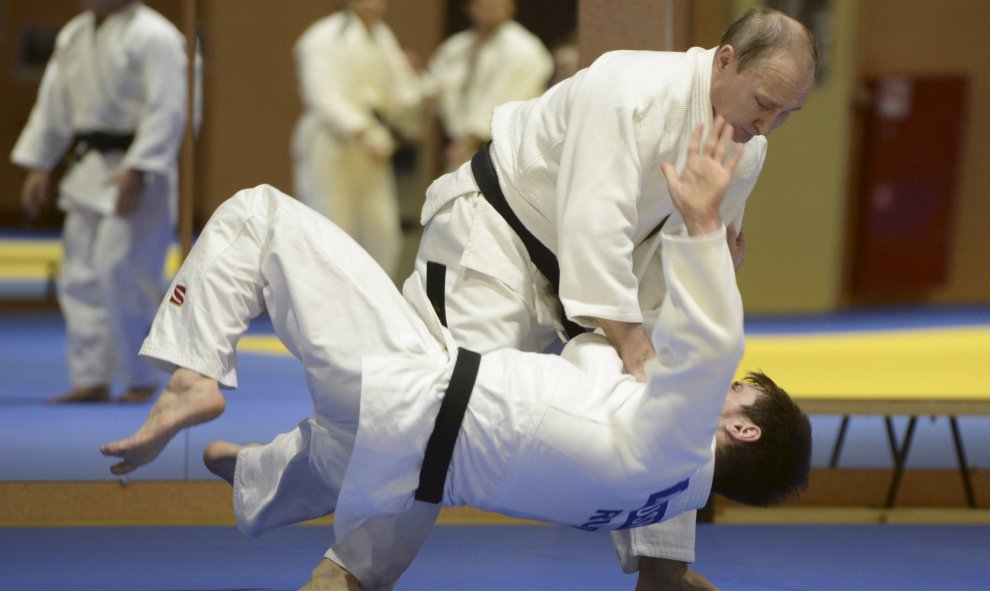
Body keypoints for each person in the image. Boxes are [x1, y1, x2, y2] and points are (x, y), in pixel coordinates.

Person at [101, 119, 812, 591]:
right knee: (354, 496)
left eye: (738, 393)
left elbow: (708, 339)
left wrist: (704, 234)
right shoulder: (664, 492)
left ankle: (191, 377)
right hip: (419, 465)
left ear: (741, 428)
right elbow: (611, 346)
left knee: (258, 215)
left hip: (415, 388)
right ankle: (257, 473)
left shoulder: (678, 431)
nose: (726, 385)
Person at [407, 7, 819, 588]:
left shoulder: (746, 147)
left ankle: (664, 571)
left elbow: (692, 250)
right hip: (499, 235)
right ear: (725, 60)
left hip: (607, 285)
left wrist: (664, 348)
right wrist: (632, 344)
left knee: (680, 408)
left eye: (787, 113)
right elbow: (591, 221)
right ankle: (351, 569)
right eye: (764, 102)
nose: (769, 123)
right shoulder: (630, 87)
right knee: (435, 408)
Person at [10, 0, 194, 404]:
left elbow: (169, 107)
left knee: (122, 272)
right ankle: (91, 377)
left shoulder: (155, 34)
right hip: (89, 169)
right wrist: (40, 163)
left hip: (138, 174)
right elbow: (53, 105)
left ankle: (141, 376)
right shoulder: (75, 34)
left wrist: (141, 165)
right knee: (78, 277)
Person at [290, 0, 423, 281]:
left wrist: (419, 93)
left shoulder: (381, 35)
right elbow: (321, 94)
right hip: (332, 142)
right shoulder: (321, 36)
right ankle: (323, 304)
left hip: (375, 142)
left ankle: (375, 303)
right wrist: (362, 130)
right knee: (329, 225)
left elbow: (398, 91)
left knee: (383, 233)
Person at [423, 0, 553, 170]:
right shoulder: (458, 45)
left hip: (501, 147)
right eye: (482, 5)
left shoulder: (524, 48)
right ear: (469, 8)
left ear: (510, 7)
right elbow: (436, 83)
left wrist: (469, 140)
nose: (489, 10)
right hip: (460, 140)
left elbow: (504, 99)